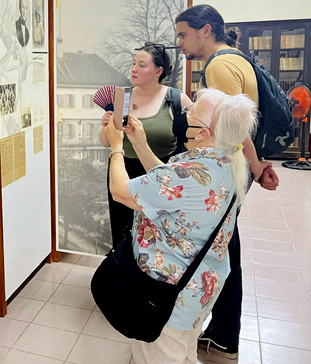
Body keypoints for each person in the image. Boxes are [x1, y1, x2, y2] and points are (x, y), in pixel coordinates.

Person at [105, 88, 258, 364]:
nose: (187, 113)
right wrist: (139, 141)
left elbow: (120, 191)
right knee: (185, 355)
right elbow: (167, 188)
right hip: (196, 290)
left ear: (203, 133)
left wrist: (117, 147)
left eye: (193, 110)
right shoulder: (224, 163)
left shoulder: (188, 175)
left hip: (166, 297)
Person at [176, 4, 279, 358]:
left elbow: (233, 126)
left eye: (184, 34)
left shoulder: (219, 66)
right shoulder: (238, 58)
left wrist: (253, 165)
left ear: (206, 30)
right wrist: (258, 165)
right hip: (237, 165)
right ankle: (222, 330)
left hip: (225, 167)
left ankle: (224, 334)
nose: (180, 43)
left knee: (221, 250)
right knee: (224, 244)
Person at [99, 44, 192, 247]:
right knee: (123, 231)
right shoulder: (122, 97)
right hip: (122, 171)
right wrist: (106, 126)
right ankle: (121, 274)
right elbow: (106, 142)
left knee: (158, 235)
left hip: (159, 172)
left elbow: (195, 139)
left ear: (158, 71)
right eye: (133, 64)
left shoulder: (176, 100)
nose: (133, 69)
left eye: (141, 65)